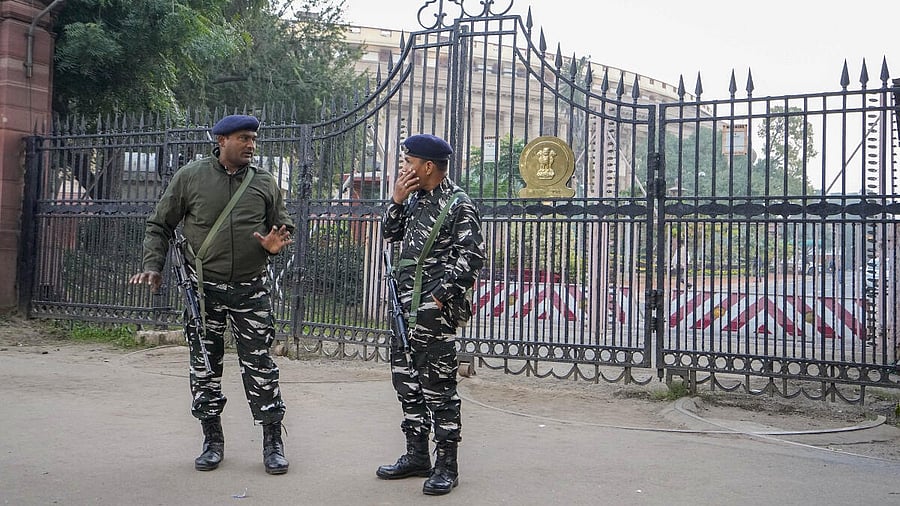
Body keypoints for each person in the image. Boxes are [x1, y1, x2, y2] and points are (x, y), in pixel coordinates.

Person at [129, 114, 293, 475]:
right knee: (205, 366)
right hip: (204, 291)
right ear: (221, 140)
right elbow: (160, 224)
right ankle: (212, 441)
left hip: (252, 289)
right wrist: (152, 265)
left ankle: (272, 443)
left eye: (253, 139)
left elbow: (284, 224)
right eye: (243, 138)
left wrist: (274, 242)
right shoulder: (192, 177)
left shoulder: (264, 182)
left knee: (261, 367)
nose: (251, 145)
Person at [378, 133, 485, 496]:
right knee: (406, 381)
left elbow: (471, 258)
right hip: (403, 307)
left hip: (432, 313)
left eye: (409, 162)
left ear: (427, 166)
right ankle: (416, 456)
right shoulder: (413, 200)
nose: (404, 168)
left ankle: (447, 465)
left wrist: (441, 296)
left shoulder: (458, 204)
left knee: (438, 387)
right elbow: (389, 234)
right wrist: (396, 200)